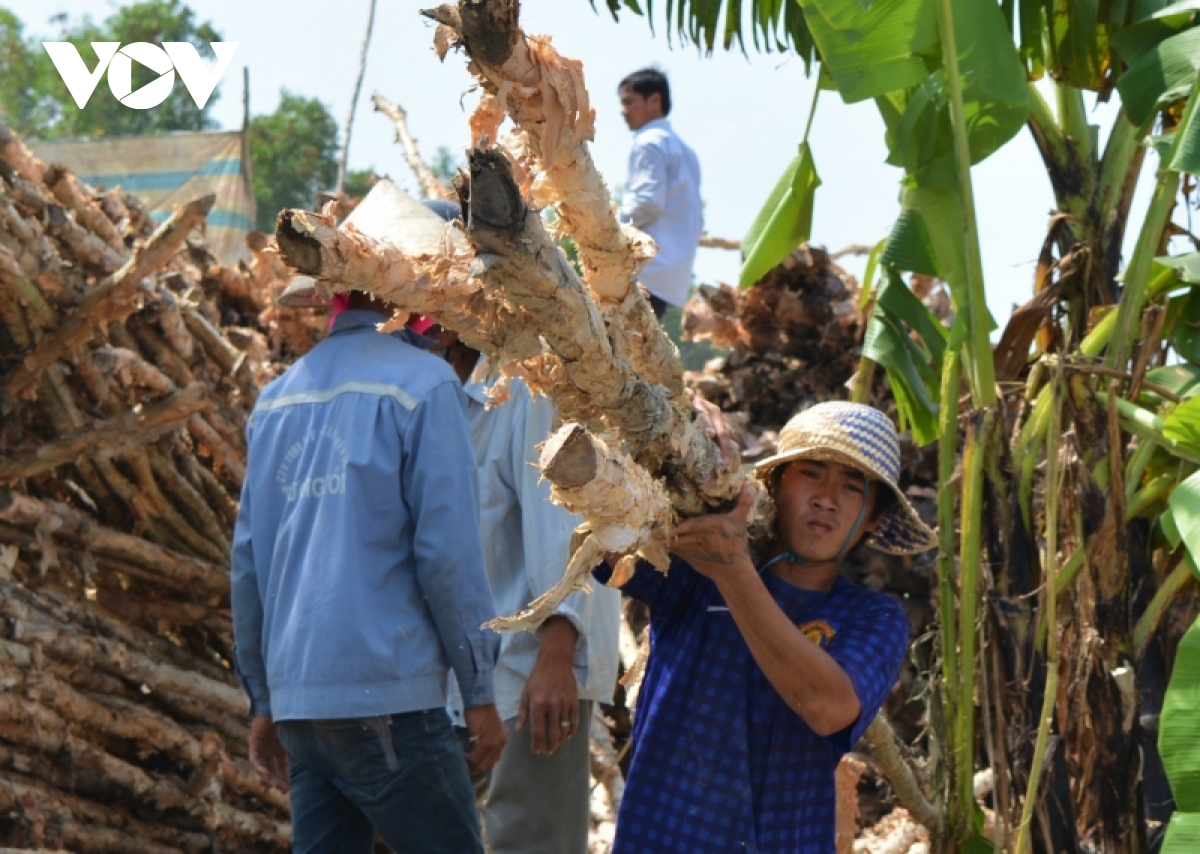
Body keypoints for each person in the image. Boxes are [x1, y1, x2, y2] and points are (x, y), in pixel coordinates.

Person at [232, 180, 506, 854]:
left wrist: (265, 700)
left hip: (303, 708)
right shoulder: (425, 387)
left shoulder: (275, 401)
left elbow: (248, 568)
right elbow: (446, 556)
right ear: (419, 294)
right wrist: (479, 693)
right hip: (388, 704)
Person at [596, 401, 937, 853]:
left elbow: (826, 705)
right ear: (775, 483)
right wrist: (673, 417)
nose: (826, 498)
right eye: (811, 473)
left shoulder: (873, 618)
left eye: (852, 487)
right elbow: (605, 544)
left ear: (872, 519)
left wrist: (734, 571)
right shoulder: (695, 568)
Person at [433, 323, 622, 854]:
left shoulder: (529, 380)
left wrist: (557, 654)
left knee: (530, 839)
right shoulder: (433, 389)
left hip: (534, 669)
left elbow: (565, 528)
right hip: (455, 670)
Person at [618, 68, 703, 317]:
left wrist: (604, 229)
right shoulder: (686, 151)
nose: (624, 111)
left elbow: (647, 202)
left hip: (645, 271)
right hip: (669, 276)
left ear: (655, 100)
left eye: (629, 102)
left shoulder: (649, 142)